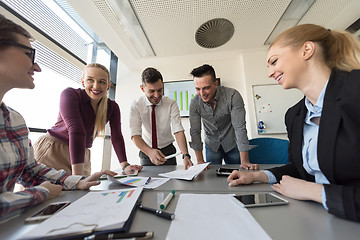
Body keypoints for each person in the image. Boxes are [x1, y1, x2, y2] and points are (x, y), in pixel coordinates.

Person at [228, 24, 360, 222]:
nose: (270, 73)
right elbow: (302, 169)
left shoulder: (355, 91)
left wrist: (316, 192)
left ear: (307, 50)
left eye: (274, 61)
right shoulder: (295, 115)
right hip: (321, 219)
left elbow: (309, 184)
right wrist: (257, 176)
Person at [0, 14, 117, 224]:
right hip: (55, 147)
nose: (37, 67)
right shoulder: (70, 95)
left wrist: (76, 181)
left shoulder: (15, 122)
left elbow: (30, 171)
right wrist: (40, 193)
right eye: (28, 54)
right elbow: (76, 130)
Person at [33, 63, 142, 176]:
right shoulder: (70, 94)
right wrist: (77, 179)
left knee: (81, 193)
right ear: (83, 81)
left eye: (102, 82)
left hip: (82, 153)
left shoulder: (112, 107)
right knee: (44, 192)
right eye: (90, 80)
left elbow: (117, 137)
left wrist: (125, 166)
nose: (96, 86)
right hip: (54, 151)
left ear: (108, 86)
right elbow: (76, 131)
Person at [189, 64, 258, 170]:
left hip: (232, 143)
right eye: (198, 89)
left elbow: (240, 127)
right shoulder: (195, 103)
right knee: (212, 179)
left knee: (238, 174)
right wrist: (200, 161)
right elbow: (195, 131)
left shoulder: (232, 96)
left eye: (206, 88)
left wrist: (245, 161)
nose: (202, 93)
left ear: (215, 83)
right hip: (211, 145)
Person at [130, 67, 194, 169]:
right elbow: (135, 135)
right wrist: (150, 152)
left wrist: (185, 155)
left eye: (160, 90)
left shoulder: (171, 103)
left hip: (168, 152)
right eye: (152, 91)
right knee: (148, 183)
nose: (156, 95)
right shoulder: (136, 105)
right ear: (142, 88)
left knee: (170, 183)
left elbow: (178, 130)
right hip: (146, 151)